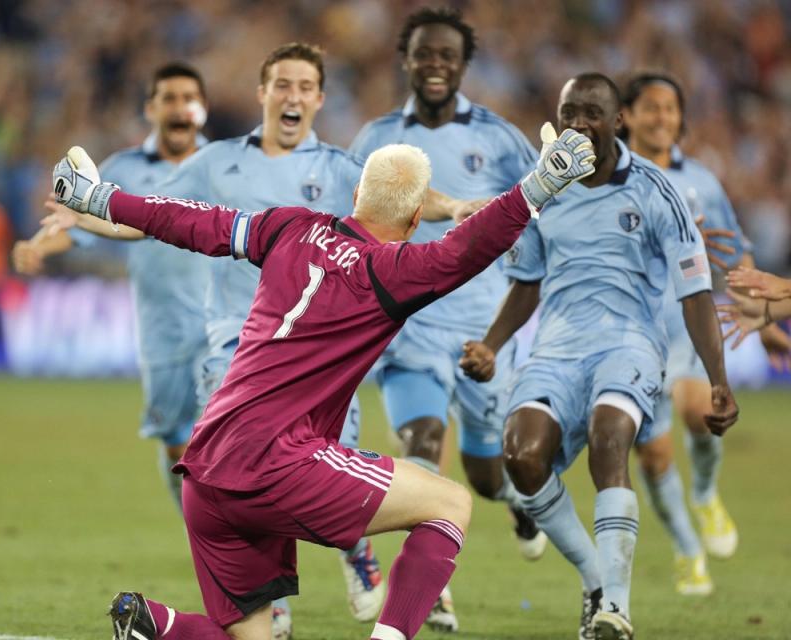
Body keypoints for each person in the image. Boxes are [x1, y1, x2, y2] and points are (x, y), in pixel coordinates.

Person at [45, 124, 595, 640]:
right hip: (278, 462)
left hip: (208, 466)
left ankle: (153, 624)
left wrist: (100, 198)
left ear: (357, 192)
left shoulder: (289, 226)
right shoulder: (394, 272)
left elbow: (195, 222)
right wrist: (541, 184)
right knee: (449, 505)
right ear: (412, 221)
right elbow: (468, 247)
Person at [146, 42, 480, 634]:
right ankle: (361, 558)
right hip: (253, 389)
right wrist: (531, 193)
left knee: (255, 619)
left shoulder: (309, 202)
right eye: (282, 84)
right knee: (439, 500)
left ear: (319, 98)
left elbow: (179, 220)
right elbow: (170, 210)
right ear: (264, 92)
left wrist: (100, 200)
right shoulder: (223, 162)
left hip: (223, 442)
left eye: (305, 85)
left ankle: (161, 623)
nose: (292, 95)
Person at [460, 73, 739, 640]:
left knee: (611, 439)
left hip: (629, 343)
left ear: (618, 122)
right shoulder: (542, 188)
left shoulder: (656, 189)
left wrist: (717, 378)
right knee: (520, 456)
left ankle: (616, 607)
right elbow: (526, 282)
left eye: (592, 113)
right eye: (570, 114)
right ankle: (594, 580)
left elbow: (694, 291)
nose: (579, 124)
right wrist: (492, 344)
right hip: (557, 347)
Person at [350, 11, 545, 631]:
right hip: (409, 328)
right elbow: (349, 222)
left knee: (487, 474)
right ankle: (430, 588)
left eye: (448, 56)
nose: (435, 65)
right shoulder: (375, 140)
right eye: (424, 55)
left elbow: (536, 213)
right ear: (405, 60)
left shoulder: (502, 139)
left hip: (481, 330)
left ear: (464, 65)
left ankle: (517, 502)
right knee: (422, 443)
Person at [11, 62, 210, 513]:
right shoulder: (123, 167)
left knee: (225, 445)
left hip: (224, 326)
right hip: (162, 329)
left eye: (189, 99)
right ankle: (196, 525)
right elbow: (79, 222)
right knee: (178, 446)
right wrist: (40, 246)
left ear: (203, 109)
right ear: (151, 109)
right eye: (170, 99)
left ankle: (227, 544)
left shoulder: (224, 165)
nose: (180, 108)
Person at [620, 72, 791, 594]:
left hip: (687, 325)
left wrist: (759, 315)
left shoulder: (703, 182)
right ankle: (686, 549)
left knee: (702, 412)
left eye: (671, 109)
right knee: (653, 456)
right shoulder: (610, 177)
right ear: (625, 115)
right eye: (651, 108)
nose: (662, 118)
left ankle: (706, 493)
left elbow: (733, 252)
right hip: (628, 330)